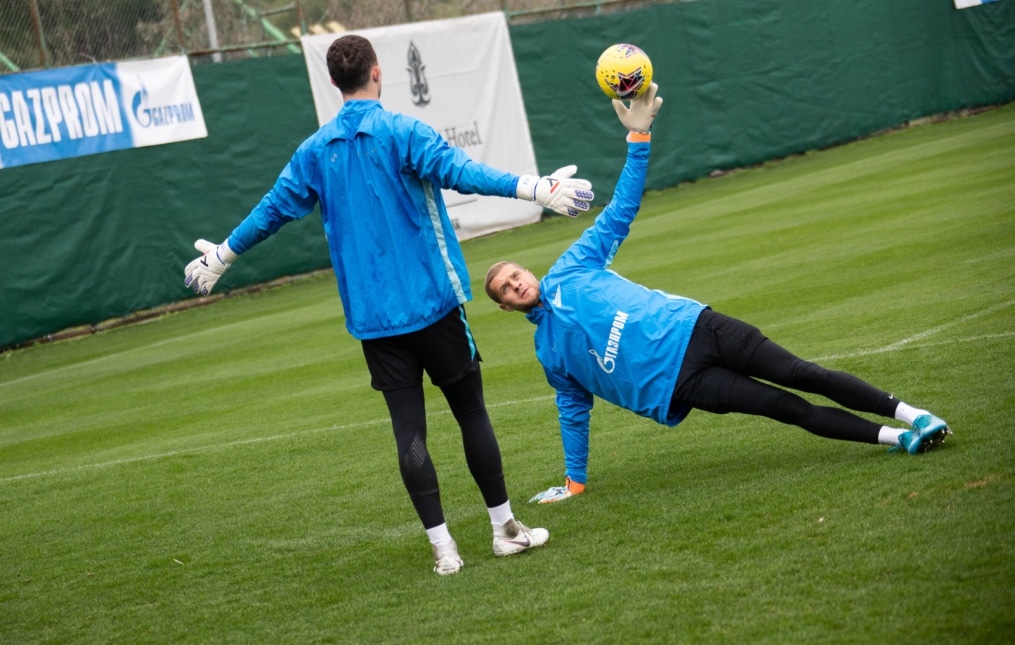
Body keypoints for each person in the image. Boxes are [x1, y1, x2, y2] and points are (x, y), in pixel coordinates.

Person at [184, 34, 596, 573]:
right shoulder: (402, 130)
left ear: (335, 83)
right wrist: (533, 188)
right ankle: (503, 531)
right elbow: (462, 173)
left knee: (409, 431)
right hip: (433, 303)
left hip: (375, 322)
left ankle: (444, 551)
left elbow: (271, 211)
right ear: (377, 73)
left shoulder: (315, 151)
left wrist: (222, 254)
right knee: (470, 411)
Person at [484, 82, 952, 505]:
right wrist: (575, 482)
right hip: (681, 383)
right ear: (506, 306)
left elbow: (622, 209)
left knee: (804, 373)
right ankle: (897, 438)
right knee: (786, 409)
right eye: (506, 288)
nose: (516, 283)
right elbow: (573, 410)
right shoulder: (548, 351)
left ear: (528, 270)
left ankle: (917, 415)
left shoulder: (573, 266)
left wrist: (638, 139)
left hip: (697, 328)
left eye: (514, 274)